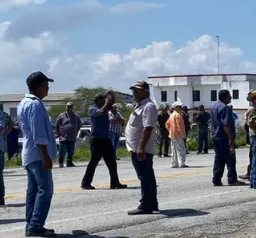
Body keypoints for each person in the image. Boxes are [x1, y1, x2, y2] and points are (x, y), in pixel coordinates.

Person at [18, 72, 56, 237]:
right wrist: (45, 155)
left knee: (33, 190)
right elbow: (38, 132)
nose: (48, 88)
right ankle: (36, 224)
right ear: (39, 86)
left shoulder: (24, 103)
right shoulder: (34, 105)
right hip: (37, 153)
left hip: (30, 153)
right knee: (45, 189)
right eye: (46, 85)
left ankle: (32, 224)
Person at [126, 80, 160, 214]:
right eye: (133, 91)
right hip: (137, 148)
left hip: (142, 149)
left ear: (145, 92)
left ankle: (146, 205)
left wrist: (141, 148)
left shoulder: (148, 106)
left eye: (136, 91)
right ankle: (152, 203)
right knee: (147, 175)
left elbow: (147, 128)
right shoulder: (139, 106)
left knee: (144, 176)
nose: (134, 93)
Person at [81, 91, 127, 190]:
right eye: (102, 100)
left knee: (112, 163)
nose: (104, 102)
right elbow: (101, 111)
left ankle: (115, 182)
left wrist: (111, 95)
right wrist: (107, 101)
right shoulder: (92, 109)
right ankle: (85, 183)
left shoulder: (106, 108)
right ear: (97, 100)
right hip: (96, 140)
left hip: (105, 140)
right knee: (93, 162)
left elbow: (112, 103)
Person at [211, 90, 242, 186]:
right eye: (229, 96)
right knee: (230, 158)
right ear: (224, 97)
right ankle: (232, 179)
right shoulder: (224, 108)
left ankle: (216, 179)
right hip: (224, 136)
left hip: (216, 136)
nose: (231, 97)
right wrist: (231, 138)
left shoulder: (214, 107)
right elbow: (226, 125)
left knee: (219, 159)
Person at [167, 101, 188, 168]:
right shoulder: (178, 115)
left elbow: (167, 124)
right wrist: (182, 135)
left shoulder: (171, 115)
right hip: (178, 135)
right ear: (175, 108)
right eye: (179, 107)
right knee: (181, 149)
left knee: (174, 150)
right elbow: (180, 126)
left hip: (172, 135)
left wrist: (170, 130)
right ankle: (181, 163)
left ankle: (174, 163)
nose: (181, 108)